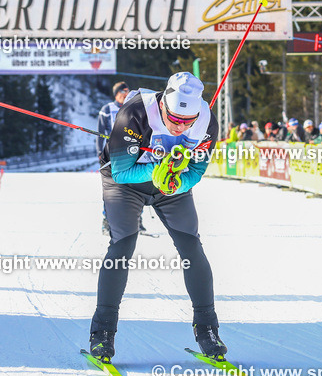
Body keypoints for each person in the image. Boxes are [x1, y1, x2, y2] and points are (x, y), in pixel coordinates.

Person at [90, 72, 226, 360]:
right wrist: (159, 169)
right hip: (125, 183)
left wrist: (176, 181)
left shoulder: (206, 122)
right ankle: (102, 333)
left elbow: (196, 173)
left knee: (191, 246)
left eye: (186, 122)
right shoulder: (134, 113)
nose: (179, 127)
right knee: (122, 245)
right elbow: (121, 172)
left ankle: (208, 330)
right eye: (173, 118)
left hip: (170, 186)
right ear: (163, 104)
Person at [97, 82, 144, 236]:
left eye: (127, 91)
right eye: (122, 92)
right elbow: (99, 132)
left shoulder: (134, 107)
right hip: (113, 153)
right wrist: (99, 151)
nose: (126, 94)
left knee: (137, 185)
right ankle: (108, 221)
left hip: (133, 152)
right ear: (116, 94)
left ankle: (137, 220)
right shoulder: (107, 109)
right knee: (112, 189)